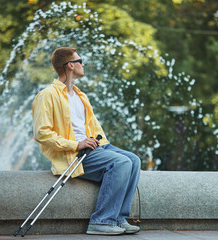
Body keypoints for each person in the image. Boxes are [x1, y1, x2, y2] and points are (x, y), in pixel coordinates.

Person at [32, 47, 141, 235]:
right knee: (121, 162)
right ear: (70, 65)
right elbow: (42, 133)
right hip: (73, 154)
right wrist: (76, 144)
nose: (83, 64)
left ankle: (118, 218)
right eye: (80, 61)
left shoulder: (81, 96)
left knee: (133, 160)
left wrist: (103, 146)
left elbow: (94, 128)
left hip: (93, 149)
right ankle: (101, 221)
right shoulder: (47, 95)